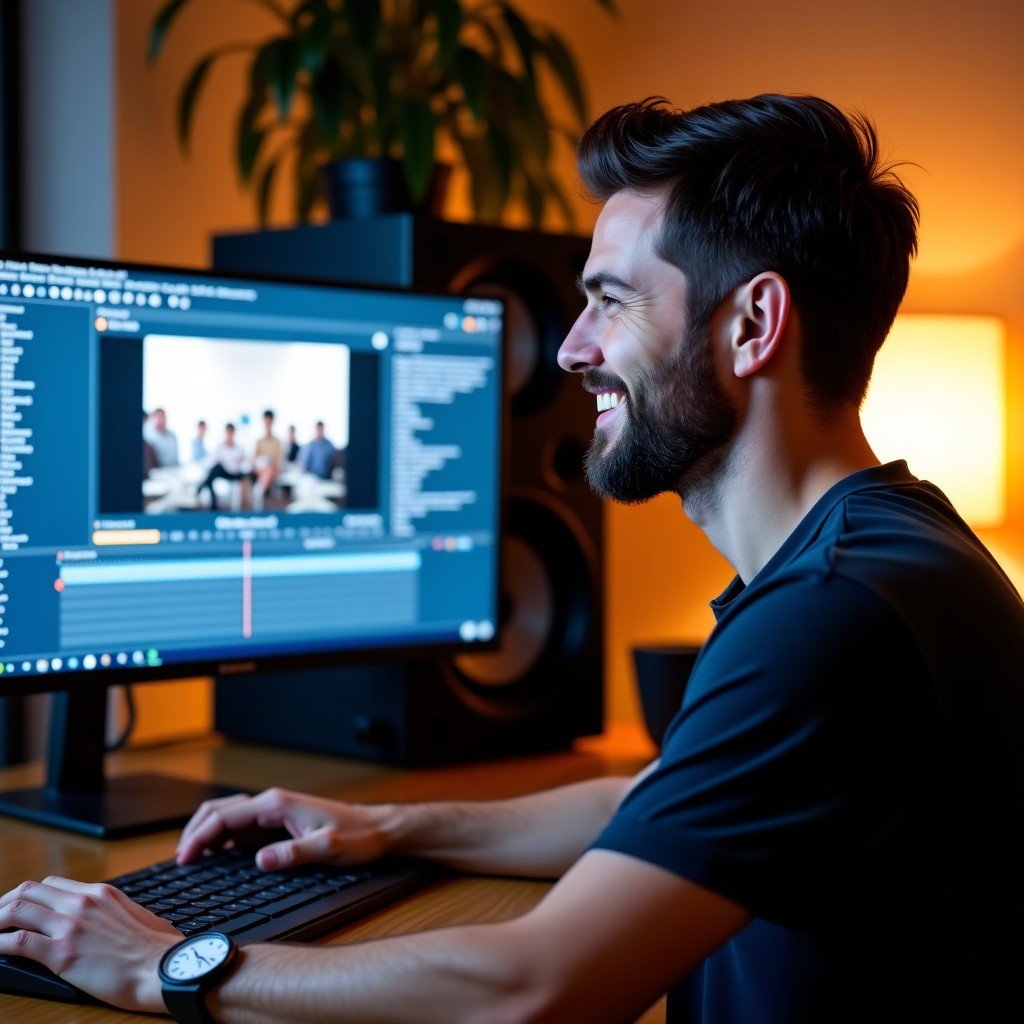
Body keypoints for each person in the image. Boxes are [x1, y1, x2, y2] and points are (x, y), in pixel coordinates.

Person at [2, 94, 1021, 1023]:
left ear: (751, 324)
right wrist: (387, 828)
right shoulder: (884, 548)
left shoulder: (828, 617)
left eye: (610, 302)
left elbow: (538, 986)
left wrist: (167, 963)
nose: (571, 348)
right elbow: (664, 801)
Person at [196, 422, 249, 511]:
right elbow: (212, 460)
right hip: (223, 472)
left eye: (230, 433)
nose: (229, 435)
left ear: (233, 433)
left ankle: (202, 487)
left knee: (213, 473)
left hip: (235, 474)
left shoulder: (239, 449)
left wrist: (239, 462)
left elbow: (245, 465)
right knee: (215, 469)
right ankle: (213, 501)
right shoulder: (220, 447)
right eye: (227, 433)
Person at [250, 409, 284, 511]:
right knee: (266, 469)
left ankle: (259, 490)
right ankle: (260, 491)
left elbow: (279, 461)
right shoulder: (259, 441)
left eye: (269, 421)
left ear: (272, 422)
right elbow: (253, 460)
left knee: (270, 468)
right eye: (266, 421)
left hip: (273, 470)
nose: (268, 423)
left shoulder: (278, 442)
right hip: (260, 471)